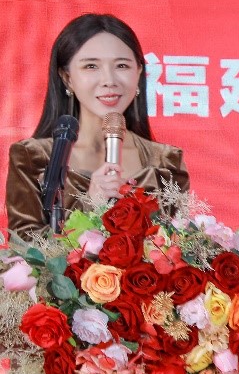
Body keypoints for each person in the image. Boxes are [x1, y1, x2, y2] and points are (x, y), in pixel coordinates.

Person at [5, 13, 189, 238]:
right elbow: (25, 247)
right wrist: (90, 206)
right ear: (67, 77)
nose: (109, 80)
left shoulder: (166, 162)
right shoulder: (33, 158)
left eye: (122, 65)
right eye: (91, 66)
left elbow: (180, 244)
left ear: (139, 72)